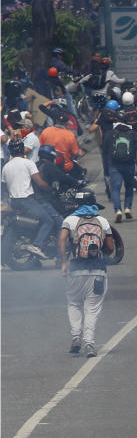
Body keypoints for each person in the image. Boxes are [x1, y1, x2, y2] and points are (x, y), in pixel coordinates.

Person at [58, 190, 114, 357]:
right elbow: (111, 248)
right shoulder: (102, 221)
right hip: (98, 271)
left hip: (75, 270)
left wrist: (63, 263)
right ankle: (89, 343)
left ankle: (76, 336)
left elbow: (61, 240)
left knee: (74, 303)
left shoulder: (69, 220)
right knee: (92, 308)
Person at [2, 139, 57, 256]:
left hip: (14, 202)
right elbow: (40, 182)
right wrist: (51, 190)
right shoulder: (28, 163)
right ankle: (36, 245)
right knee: (48, 221)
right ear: (23, 149)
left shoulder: (6, 167)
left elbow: (5, 187)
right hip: (27, 201)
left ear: (10, 151)